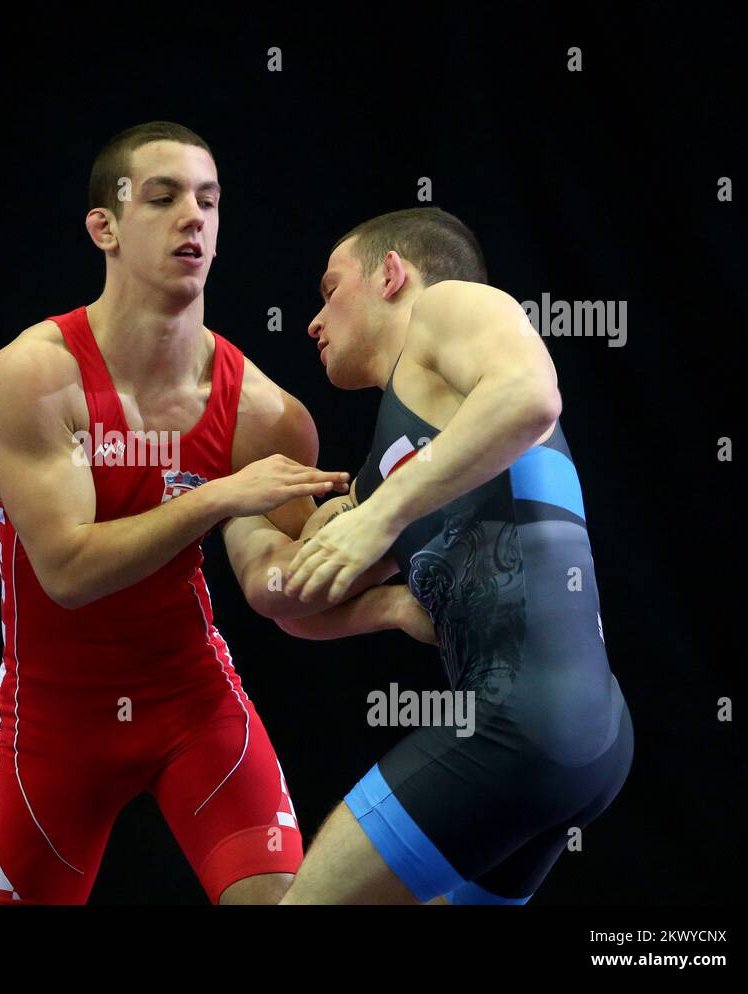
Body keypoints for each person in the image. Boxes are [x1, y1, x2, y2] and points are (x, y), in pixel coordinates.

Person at [0, 122, 429, 905]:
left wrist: (400, 547)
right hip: (51, 727)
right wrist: (216, 493)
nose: (194, 216)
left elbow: (283, 587)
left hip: (193, 704)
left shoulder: (265, 415)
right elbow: (69, 572)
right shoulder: (31, 377)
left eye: (209, 201)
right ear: (104, 228)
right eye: (164, 197)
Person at [263, 207, 631, 904]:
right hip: (583, 736)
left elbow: (530, 396)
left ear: (393, 273)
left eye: (330, 289)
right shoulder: (388, 467)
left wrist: (381, 517)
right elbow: (292, 603)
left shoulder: (450, 306)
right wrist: (392, 604)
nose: (314, 320)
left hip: (517, 725)